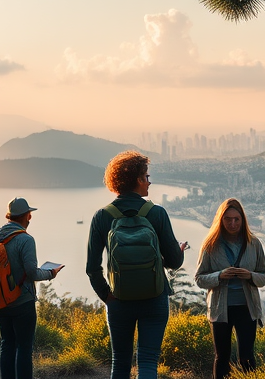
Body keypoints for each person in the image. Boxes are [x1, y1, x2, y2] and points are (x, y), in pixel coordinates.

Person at [86, 151, 186, 379]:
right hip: (154, 298)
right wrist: (178, 251)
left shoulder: (102, 216)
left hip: (119, 299)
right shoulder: (156, 213)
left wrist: (107, 295)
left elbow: (92, 268)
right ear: (138, 180)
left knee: (119, 363)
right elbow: (174, 262)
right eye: (146, 177)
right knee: (148, 361)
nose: (149, 181)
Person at [194, 198, 265, 379]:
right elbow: (199, 278)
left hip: (246, 307)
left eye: (236, 219)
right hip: (220, 309)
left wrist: (250, 276)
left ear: (243, 220)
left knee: (246, 357)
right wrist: (219, 276)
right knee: (222, 357)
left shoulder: (254, 244)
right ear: (221, 220)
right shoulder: (210, 245)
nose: (233, 223)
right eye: (228, 219)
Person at [0, 197, 63, 379]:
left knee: (7, 343)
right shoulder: (26, 240)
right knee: (24, 347)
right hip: (22, 301)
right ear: (27, 216)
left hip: (1, 300)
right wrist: (51, 273)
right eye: (29, 214)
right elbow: (31, 273)